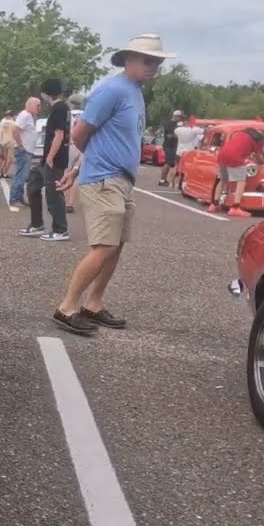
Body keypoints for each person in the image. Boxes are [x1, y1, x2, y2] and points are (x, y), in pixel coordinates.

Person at [51, 33, 175, 336]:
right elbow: (81, 133)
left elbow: (105, 138)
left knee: (115, 246)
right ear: (128, 59)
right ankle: (66, 307)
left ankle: (93, 303)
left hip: (120, 180)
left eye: (157, 61)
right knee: (103, 246)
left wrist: (78, 167)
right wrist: (84, 168)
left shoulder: (133, 91)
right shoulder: (111, 90)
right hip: (105, 180)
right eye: (148, 60)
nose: (153, 67)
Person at [19, 79, 70, 240]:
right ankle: (37, 224)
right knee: (34, 183)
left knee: (53, 192)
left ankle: (60, 230)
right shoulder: (58, 108)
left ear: (46, 93)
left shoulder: (59, 108)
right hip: (47, 158)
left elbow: (59, 134)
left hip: (54, 158)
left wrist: (50, 156)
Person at [208, 127, 264, 217]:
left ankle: (214, 204)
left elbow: (258, 152)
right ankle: (235, 207)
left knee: (223, 179)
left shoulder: (244, 133)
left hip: (222, 154)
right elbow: (259, 156)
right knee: (241, 181)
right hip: (235, 157)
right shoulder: (259, 141)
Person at [8, 98, 40, 210]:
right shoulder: (25, 115)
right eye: (37, 105)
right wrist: (21, 145)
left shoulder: (28, 116)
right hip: (24, 150)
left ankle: (18, 198)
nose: (39, 108)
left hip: (27, 150)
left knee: (22, 175)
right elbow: (15, 130)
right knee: (21, 176)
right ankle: (14, 199)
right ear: (30, 105)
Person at [158, 110, 182, 187]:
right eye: (180, 117)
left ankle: (164, 180)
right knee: (168, 163)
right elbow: (169, 136)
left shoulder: (177, 124)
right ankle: (162, 180)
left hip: (174, 146)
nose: (180, 118)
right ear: (176, 116)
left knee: (171, 163)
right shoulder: (169, 124)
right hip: (169, 146)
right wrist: (178, 135)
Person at [0, 110, 18, 178]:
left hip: (2, 141)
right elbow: (15, 133)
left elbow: (0, 132)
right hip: (10, 141)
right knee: (9, 159)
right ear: (12, 116)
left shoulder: (2, 122)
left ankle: (0, 172)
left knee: (4, 158)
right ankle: (5, 173)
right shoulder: (13, 123)